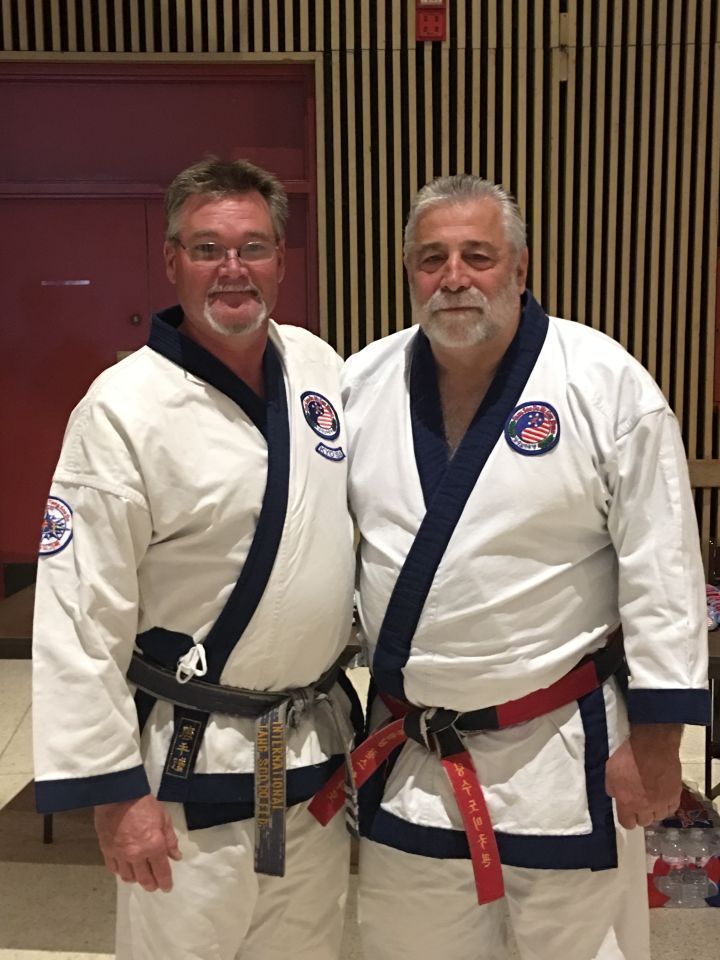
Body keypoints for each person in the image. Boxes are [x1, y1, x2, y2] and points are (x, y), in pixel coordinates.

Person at [319, 175, 710, 959]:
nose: (454, 277)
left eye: (478, 255)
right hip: (416, 753)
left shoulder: (602, 382)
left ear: (520, 268)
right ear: (409, 272)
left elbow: (662, 571)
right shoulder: (361, 384)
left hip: (562, 753)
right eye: (432, 258)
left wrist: (660, 740)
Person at [32, 157, 359, 960]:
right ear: (172, 259)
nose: (232, 268)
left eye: (253, 247)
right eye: (208, 248)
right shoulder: (122, 408)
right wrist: (115, 796)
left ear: (282, 260)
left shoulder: (319, 368)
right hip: (188, 763)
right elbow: (80, 613)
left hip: (307, 753)